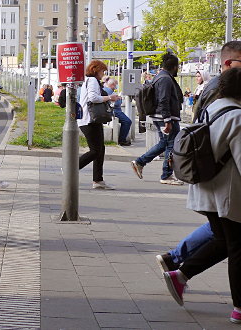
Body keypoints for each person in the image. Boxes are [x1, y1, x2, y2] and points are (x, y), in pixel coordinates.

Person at [162, 68, 241, 325]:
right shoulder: (237, 117)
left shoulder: (213, 106)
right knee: (236, 246)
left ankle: (181, 274)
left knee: (224, 241)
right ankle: (239, 307)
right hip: (227, 193)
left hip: (205, 189)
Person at [131, 53, 184, 185]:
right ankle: (166, 175)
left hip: (162, 115)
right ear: (174, 67)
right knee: (171, 144)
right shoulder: (165, 79)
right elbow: (164, 99)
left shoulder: (160, 77)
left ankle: (140, 162)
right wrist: (167, 120)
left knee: (164, 143)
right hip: (165, 116)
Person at [78, 60, 120, 190]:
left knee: (100, 149)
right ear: (96, 70)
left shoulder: (91, 81)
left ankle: (98, 179)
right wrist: (110, 98)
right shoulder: (92, 81)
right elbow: (93, 98)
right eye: (102, 71)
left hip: (92, 120)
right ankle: (72, 168)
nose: (103, 74)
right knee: (96, 150)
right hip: (89, 119)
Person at [104, 78, 132, 146]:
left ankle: (122, 139)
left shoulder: (106, 89)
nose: (116, 87)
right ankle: (122, 140)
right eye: (116, 85)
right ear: (112, 85)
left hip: (113, 110)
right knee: (127, 121)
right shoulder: (109, 91)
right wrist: (119, 99)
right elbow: (116, 103)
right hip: (115, 111)